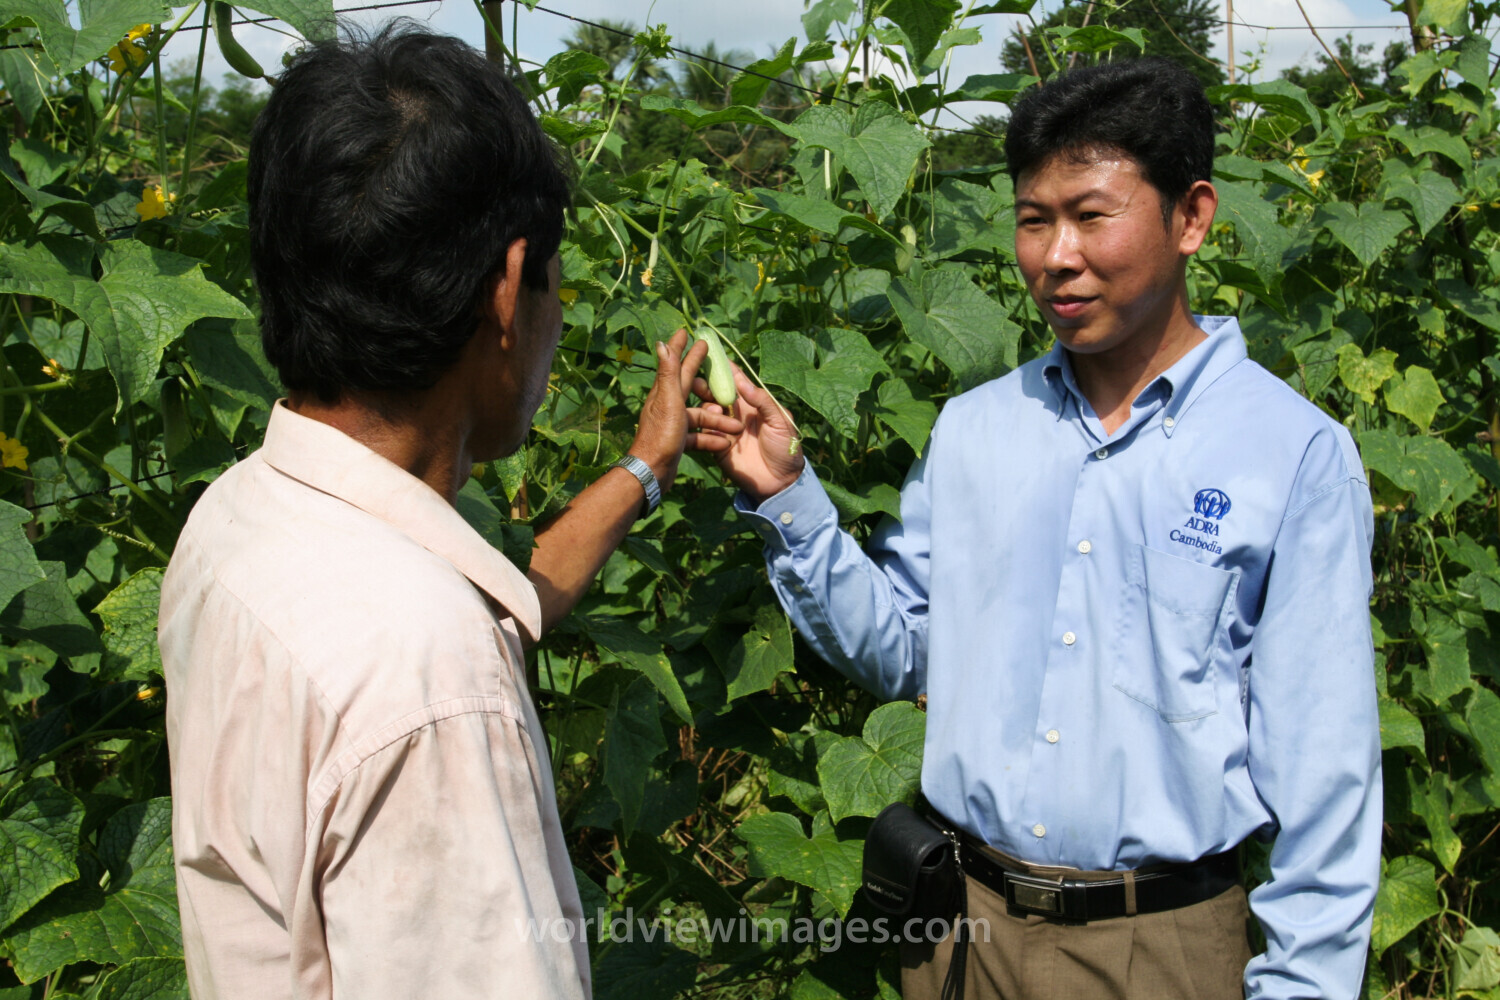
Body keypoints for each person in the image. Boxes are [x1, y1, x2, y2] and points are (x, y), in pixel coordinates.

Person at [693, 58, 1381, 999]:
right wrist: (787, 500)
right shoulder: (976, 429)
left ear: (1193, 217)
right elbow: (905, 653)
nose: (1056, 255)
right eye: (1032, 218)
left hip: (1164, 948)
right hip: (960, 936)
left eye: (1092, 215)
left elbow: (1326, 774)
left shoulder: (1291, 453)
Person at [158, 26, 707, 1000]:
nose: (559, 317)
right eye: (554, 283)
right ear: (507, 292)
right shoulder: (430, 680)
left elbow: (489, 606)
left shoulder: (242, 520)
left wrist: (646, 465)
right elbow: (432, 669)